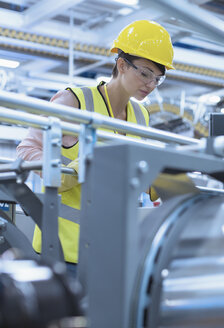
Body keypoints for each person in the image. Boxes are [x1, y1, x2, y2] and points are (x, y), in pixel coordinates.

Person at [16, 20, 174, 272]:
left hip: (110, 248)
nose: (150, 85)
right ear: (121, 64)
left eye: (158, 79)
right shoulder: (74, 101)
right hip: (61, 249)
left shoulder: (141, 115)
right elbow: (26, 149)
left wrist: (157, 179)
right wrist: (59, 173)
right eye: (145, 73)